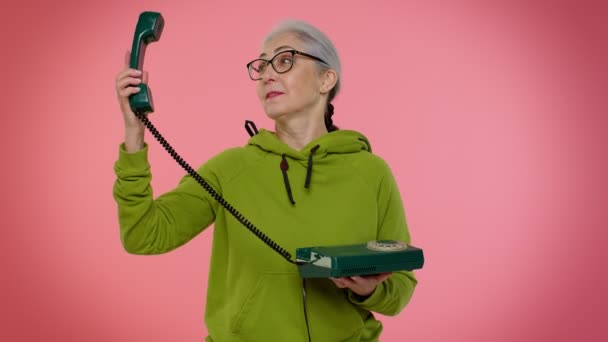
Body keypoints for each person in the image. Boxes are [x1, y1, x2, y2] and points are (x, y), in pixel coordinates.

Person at [113, 19, 418, 342]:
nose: (267, 74)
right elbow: (143, 235)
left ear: (326, 79)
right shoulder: (231, 168)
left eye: (285, 61)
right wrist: (134, 134)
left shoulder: (371, 173)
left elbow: (400, 289)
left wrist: (370, 290)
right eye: (261, 66)